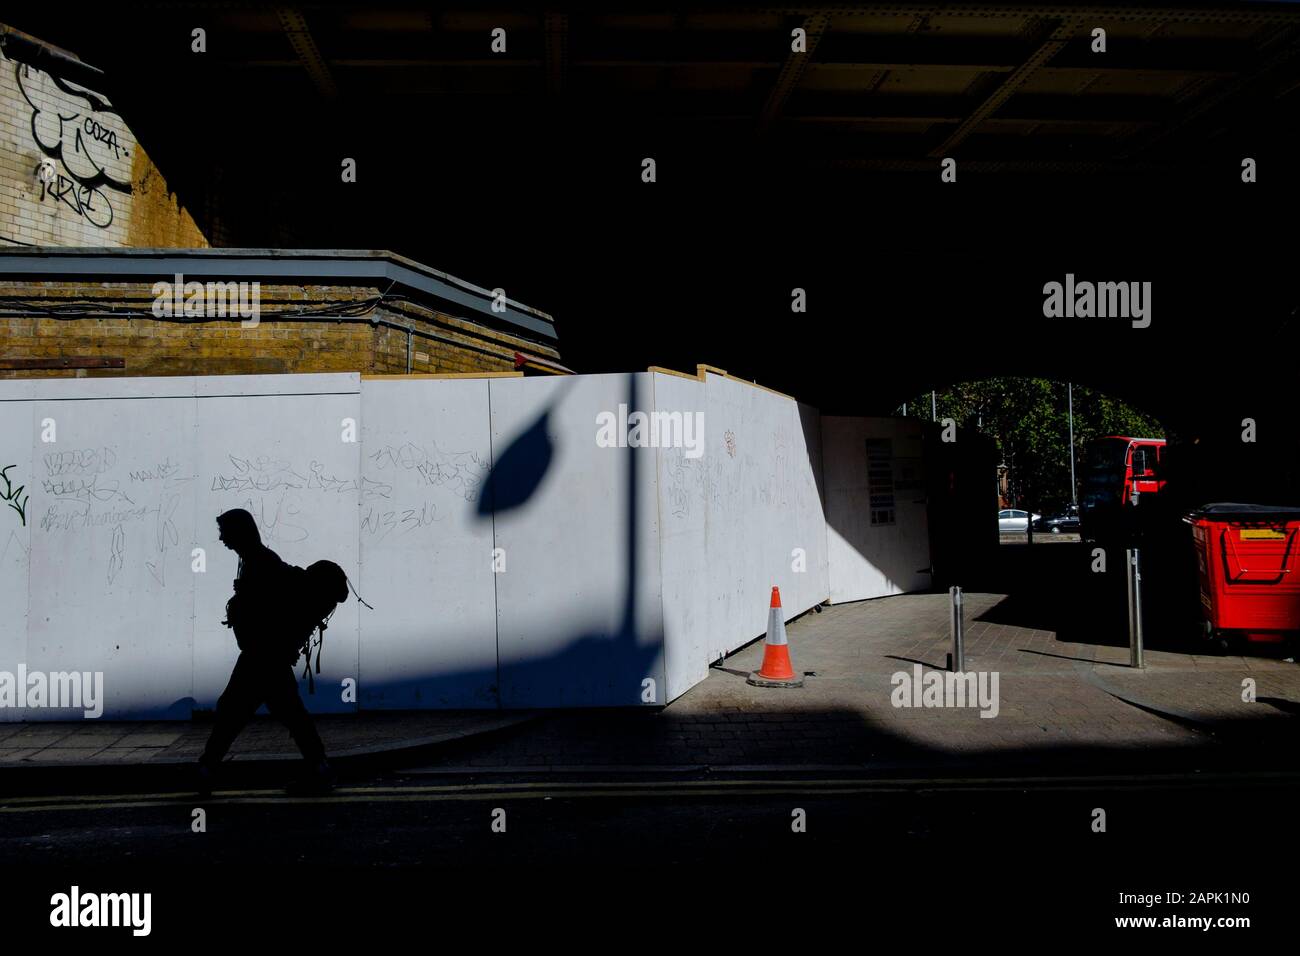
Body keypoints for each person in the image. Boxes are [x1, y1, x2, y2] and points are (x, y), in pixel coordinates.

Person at [196, 508, 334, 795]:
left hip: (261, 656)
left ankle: (206, 770)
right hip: (267, 656)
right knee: (288, 715)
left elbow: (267, 612)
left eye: (224, 532)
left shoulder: (261, 562)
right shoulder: (254, 561)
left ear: (239, 531)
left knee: (231, 712)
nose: (221, 539)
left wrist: (242, 601)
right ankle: (319, 770)